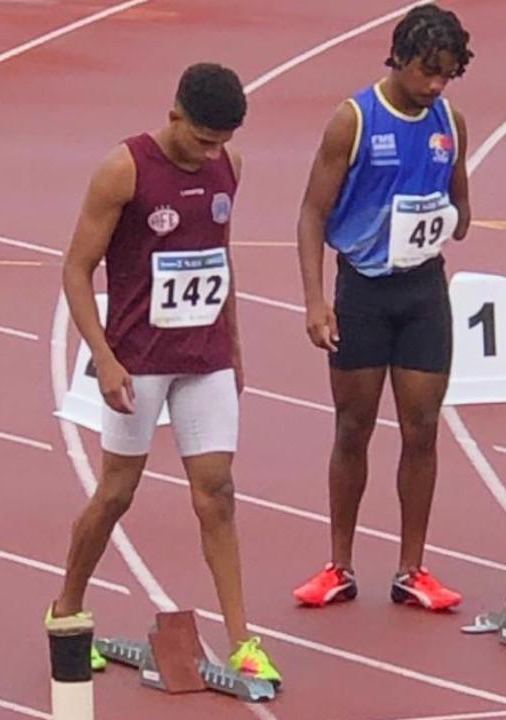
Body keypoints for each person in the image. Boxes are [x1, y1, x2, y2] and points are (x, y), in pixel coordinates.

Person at [49, 63, 279, 685]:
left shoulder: (231, 165)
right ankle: (65, 610)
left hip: (203, 359)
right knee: (117, 493)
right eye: (203, 140)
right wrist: (102, 355)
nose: (212, 152)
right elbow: (76, 268)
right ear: (175, 115)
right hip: (138, 360)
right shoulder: (124, 168)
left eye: (222, 141)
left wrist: (233, 345)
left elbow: (220, 257)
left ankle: (242, 640)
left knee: (219, 494)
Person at [293, 4, 472, 611]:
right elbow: (312, 212)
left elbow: (460, 199)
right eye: (427, 71)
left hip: (423, 292)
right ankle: (338, 565)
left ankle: (411, 570)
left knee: (422, 430)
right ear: (398, 57)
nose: (435, 85)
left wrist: (451, 218)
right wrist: (316, 300)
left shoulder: (449, 118)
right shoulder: (355, 120)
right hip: (363, 292)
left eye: (447, 74)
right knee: (353, 428)